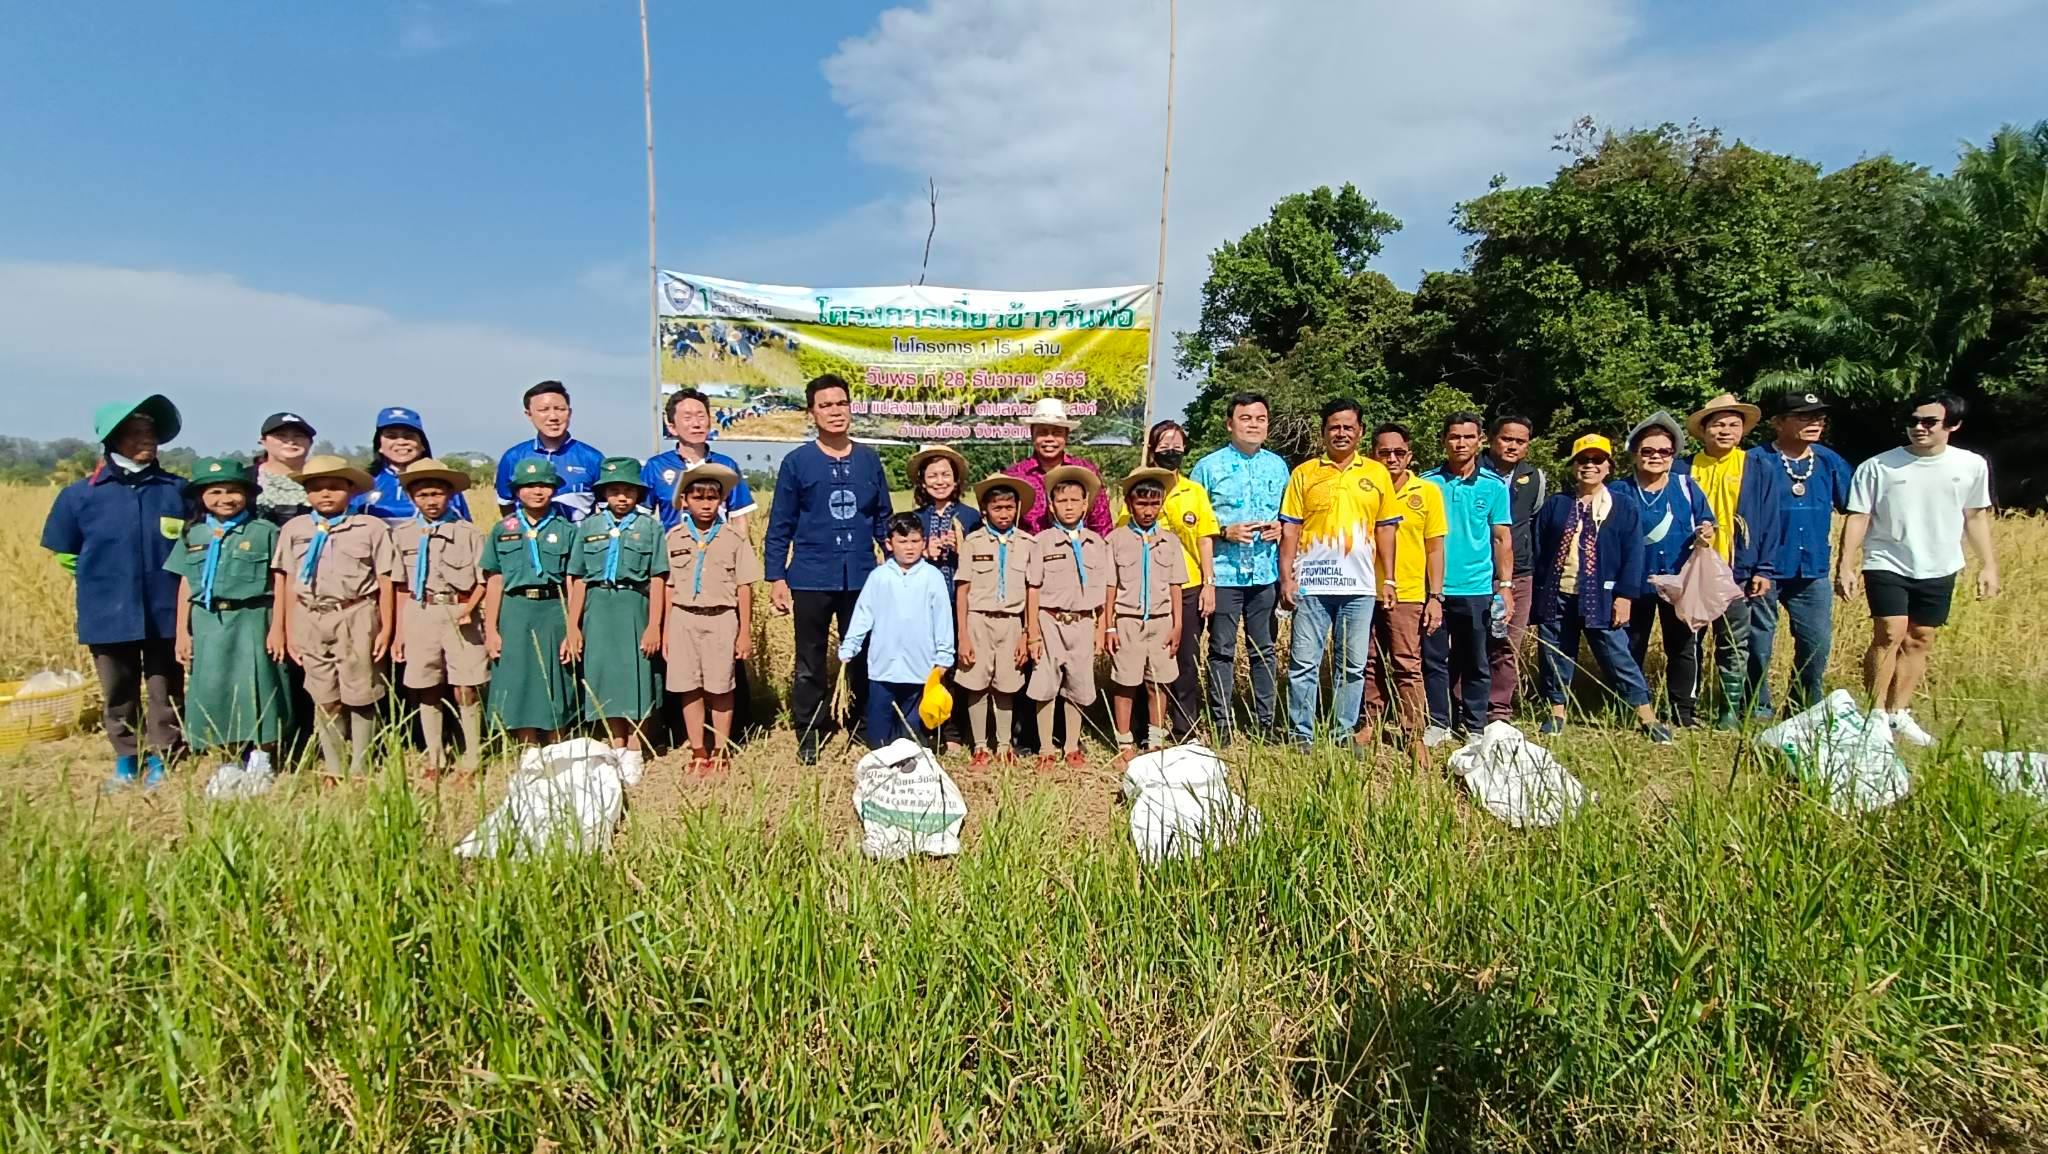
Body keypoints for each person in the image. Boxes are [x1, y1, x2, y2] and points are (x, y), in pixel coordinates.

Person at [1836, 392, 2000, 747]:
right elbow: (1859, 516)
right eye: (1913, 421)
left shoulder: (1970, 465)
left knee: (1920, 637)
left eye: (1929, 422)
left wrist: (1988, 565)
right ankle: (1875, 714)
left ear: (1953, 425)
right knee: (1890, 632)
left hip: (1940, 564)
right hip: (1887, 560)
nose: (1919, 428)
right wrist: (1846, 563)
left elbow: (1975, 516)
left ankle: (1899, 712)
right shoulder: (1878, 466)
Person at [41, 395, 187, 789]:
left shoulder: (177, 491)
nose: (147, 440)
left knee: (165, 688)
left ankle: (164, 755)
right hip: (107, 611)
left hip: (165, 609)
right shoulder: (80, 496)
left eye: (151, 433)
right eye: (136, 433)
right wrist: (100, 578)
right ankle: (127, 756)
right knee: (118, 690)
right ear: (113, 441)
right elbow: (64, 552)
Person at [763, 374, 892, 764]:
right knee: (810, 659)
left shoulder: (869, 460)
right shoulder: (798, 462)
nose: (835, 412)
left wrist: (897, 568)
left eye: (841, 404)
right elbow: (780, 523)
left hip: (862, 576)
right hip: (811, 575)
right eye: (826, 405)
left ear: (851, 408)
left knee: (866, 653)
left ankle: (864, 725)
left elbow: (883, 520)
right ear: (812, 412)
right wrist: (776, 577)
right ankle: (810, 730)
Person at [1531, 435, 1674, 744]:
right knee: (1555, 653)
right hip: (1558, 593)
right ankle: (1556, 711)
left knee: (1617, 654)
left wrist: (1625, 596)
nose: (1590, 466)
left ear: (1609, 467)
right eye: (1584, 460)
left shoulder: (1623, 506)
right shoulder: (1557, 504)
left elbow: (1633, 553)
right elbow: (1540, 550)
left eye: (1598, 460)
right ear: (1574, 467)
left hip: (1603, 596)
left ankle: (1646, 716)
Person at [1278, 399, 1401, 748]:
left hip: (1359, 588)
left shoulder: (1376, 474)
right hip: (1312, 586)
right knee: (1303, 664)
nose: (1342, 433)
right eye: (1335, 427)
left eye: (1348, 426)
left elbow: (1386, 530)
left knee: (1351, 667)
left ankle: (1342, 732)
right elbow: (1290, 530)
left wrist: (1388, 579)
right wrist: (1287, 578)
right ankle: (1300, 734)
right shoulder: (1304, 473)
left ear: (1360, 431)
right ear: (1323, 433)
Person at [167, 458, 291, 781]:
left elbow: (281, 582)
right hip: (209, 622)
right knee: (213, 688)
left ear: (247, 495)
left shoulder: (265, 531)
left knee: (260, 685)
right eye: (216, 492)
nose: (225, 498)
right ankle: (229, 760)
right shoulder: (193, 534)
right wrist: (182, 631)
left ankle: (263, 759)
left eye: (234, 491)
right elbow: (185, 584)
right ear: (202, 497)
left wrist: (278, 628)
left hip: (252, 619)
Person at [273, 455, 397, 777]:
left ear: (351, 490)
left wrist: (386, 628)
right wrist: (285, 629)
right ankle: (334, 766)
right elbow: (287, 582)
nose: (325, 494)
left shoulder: (370, 528)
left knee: (361, 694)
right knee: (324, 694)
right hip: (310, 615)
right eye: (316, 488)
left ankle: (361, 763)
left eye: (334, 487)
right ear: (306, 493)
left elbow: (386, 581)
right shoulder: (294, 529)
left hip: (356, 613)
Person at [1674, 393, 1782, 729]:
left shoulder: (1757, 466)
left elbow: (1770, 519)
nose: (1725, 431)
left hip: (1736, 569)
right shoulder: (1684, 467)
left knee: (1734, 642)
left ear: (1743, 431)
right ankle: (1685, 709)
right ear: (1703, 431)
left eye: (1733, 425)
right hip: (1692, 569)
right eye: (1717, 424)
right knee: (1688, 641)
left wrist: (1764, 567)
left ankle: (1729, 711)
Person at [1190, 392, 1289, 744]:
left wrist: (1280, 528)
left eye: (1260, 418)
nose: (1253, 424)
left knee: (1264, 650)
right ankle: (1221, 726)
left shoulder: (1278, 466)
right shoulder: (1207, 467)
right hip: (1223, 574)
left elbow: (1289, 517)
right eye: (1245, 418)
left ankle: (1266, 724)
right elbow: (1192, 523)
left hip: (1265, 574)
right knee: (1221, 650)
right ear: (1230, 423)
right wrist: (1223, 531)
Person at [1747, 390, 1853, 717]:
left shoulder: (1827, 460)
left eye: (1819, 417)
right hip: (1763, 569)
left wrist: (1846, 564)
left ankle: (1803, 706)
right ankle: (1757, 707)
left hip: (1812, 569)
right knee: (1757, 644)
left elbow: (1855, 507)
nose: (1815, 423)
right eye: (1804, 416)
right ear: (1778, 423)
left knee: (1816, 644)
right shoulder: (1755, 460)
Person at [567, 458, 669, 782]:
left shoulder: (649, 527)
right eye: (614, 491)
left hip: (633, 603)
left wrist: (654, 624)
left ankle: (635, 749)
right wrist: (573, 625)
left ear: (638, 494)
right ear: (604, 494)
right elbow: (579, 578)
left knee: (636, 674)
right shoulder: (589, 527)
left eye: (628, 491)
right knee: (605, 674)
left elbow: (657, 578)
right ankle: (616, 743)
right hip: (599, 606)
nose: (622, 498)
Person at [1613, 412, 1715, 727]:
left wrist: (1706, 532)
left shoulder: (1686, 486)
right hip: (1633, 583)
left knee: (1684, 647)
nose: (1656, 457)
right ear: (1634, 453)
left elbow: (1706, 520)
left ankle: (1683, 712)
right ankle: (1629, 709)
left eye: (1664, 452)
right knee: (1630, 647)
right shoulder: (1619, 490)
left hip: (1679, 580)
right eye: (1648, 451)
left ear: (1673, 454)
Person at [388, 458, 489, 778]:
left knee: (466, 686)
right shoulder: (403, 534)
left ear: (449, 495)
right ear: (412, 497)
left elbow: (484, 581)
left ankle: (472, 755)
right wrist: (399, 633)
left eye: (437, 493)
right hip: (420, 612)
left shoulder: (468, 533)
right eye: (423, 495)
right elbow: (401, 586)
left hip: (459, 612)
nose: (431, 501)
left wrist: (469, 609)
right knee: (426, 686)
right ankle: (435, 756)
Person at [1420, 413, 1513, 745]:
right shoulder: (1426, 483)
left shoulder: (1493, 485)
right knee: (1433, 658)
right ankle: (1438, 721)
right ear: (1444, 440)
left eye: (1468, 437)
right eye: (1454, 436)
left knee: (1475, 658)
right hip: (1434, 588)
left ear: (1480, 440)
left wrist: (1505, 586)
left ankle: (1474, 724)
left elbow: (1501, 538)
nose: (1461, 443)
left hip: (1476, 587)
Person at [1120, 421, 1216, 742]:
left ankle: (1183, 725)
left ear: (1185, 448)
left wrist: (1208, 584)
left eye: (1177, 445)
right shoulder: (1139, 488)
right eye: (1164, 445)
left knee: (1184, 657)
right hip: (1145, 591)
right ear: (1151, 448)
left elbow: (1204, 540)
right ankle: (1141, 728)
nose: (1171, 451)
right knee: (1139, 664)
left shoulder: (1195, 492)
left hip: (1186, 587)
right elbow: (1122, 536)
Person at [664, 463, 761, 773]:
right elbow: (668, 586)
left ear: (721, 502)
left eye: (712, 498)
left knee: (721, 687)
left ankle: (720, 748)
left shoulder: (734, 539)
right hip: (683, 618)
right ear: (684, 501)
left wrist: (744, 631)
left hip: (721, 618)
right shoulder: (673, 538)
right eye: (698, 497)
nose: (706, 504)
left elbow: (745, 587)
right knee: (688, 686)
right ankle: (697, 749)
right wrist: (665, 630)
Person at [481, 458, 580, 761]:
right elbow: (494, 580)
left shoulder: (566, 529)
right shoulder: (502, 530)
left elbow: (573, 581)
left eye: (544, 485)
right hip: (516, 609)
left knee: (556, 676)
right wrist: (491, 629)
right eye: (529, 486)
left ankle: (556, 743)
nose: (537, 491)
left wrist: (573, 626)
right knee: (519, 675)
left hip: (553, 608)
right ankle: (528, 748)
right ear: (517, 491)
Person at [839, 513, 957, 748]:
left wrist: (944, 655)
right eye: (903, 542)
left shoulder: (932, 577)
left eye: (915, 541)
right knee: (879, 728)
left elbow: (942, 618)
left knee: (913, 728)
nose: (910, 548)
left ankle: (912, 770)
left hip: (920, 666)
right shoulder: (879, 577)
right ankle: (882, 765)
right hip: (884, 666)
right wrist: (851, 644)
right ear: (889, 544)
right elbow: (864, 614)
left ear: (923, 542)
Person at [1363, 424, 1446, 745]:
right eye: (1384, 452)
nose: (1392, 458)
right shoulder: (1365, 488)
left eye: (1399, 452)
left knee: (1406, 663)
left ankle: (1413, 733)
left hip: (1409, 592)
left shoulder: (1426, 493)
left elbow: (1435, 548)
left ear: (1409, 455)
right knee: (1368, 660)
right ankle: (1371, 723)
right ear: (1374, 455)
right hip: (1365, 588)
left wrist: (1435, 596)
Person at [1026, 466, 1112, 768]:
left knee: (1077, 684)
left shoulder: (1097, 543)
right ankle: (1046, 747)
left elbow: (1102, 594)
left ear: (1086, 504)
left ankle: (1072, 745)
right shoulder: (1042, 542)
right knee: (1046, 686)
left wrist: (1101, 630)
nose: (1070, 506)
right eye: (1063, 501)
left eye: (1076, 500)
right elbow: (1033, 589)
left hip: (1083, 622)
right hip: (1050, 621)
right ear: (1051, 506)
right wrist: (1032, 633)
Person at [1106, 468, 1190, 763]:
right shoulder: (1115, 539)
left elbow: (1176, 585)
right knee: (1126, 682)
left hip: (1161, 621)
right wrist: (1109, 627)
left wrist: (1177, 624)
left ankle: (1156, 740)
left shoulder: (1170, 541)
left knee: (1158, 682)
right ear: (1130, 504)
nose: (1148, 510)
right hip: (1127, 620)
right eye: (1142, 504)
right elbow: (1110, 586)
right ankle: (1124, 742)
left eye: (1154, 504)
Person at [954, 475, 1036, 766]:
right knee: (976, 683)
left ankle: (1003, 743)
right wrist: (963, 634)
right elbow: (962, 591)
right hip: (978, 620)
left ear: (1017, 509)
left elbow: (1031, 590)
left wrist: (1028, 633)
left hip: (1012, 622)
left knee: (1006, 684)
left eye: (1009, 507)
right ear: (985, 509)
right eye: (997, 507)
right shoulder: (973, 542)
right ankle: (979, 745)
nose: (1004, 513)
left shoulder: (1027, 543)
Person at [909, 444, 980, 753]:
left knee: (957, 667)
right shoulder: (914, 519)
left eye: (945, 475)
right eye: (932, 475)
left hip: (959, 603)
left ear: (956, 481)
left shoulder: (971, 517)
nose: (939, 481)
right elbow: (897, 557)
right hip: (922, 605)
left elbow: (984, 561)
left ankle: (954, 733)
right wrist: (925, 553)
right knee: (927, 666)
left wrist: (962, 549)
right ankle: (927, 728)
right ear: (923, 483)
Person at [1481, 414, 1549, 722]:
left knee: (1507, 643)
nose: (1512, 446)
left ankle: (1499, 711)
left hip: (1519, 573)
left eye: (1520, 441)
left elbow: (1532, 520)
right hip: (1476, 572)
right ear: (1491, 438)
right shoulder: (1472, 470)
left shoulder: (1535, 478)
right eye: (1507, 438)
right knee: (1470, 642)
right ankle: (1465, 705)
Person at [642, 388, 758, 532]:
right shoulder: (656, 466)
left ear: (709, 422)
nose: (696, 424)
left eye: (701, 416)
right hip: (673, 551)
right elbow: (642, 519)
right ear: (672, 428)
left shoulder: (727, 465)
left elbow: (738, 519)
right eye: (687, 418)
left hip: (718, 551)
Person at [494, 380, 607, 521]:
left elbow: (606, 510)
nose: (553, 417)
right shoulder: (513, 457)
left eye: (560, 409)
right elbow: (506, 505)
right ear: (528, 414)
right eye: (543, 410)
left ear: (569, 412)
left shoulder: (593, 459)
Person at [1002, 397, 1114, 534]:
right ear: (1032, 434)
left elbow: (1101, 523)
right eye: (1042, 432)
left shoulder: (1085, 472)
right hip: (1029, 552)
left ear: (1066, 436)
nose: (1050, 439)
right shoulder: (1015, 476)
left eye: (1057, 433)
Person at [354, 407, 473, 527]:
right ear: (379, 445)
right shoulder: (363, 486)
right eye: (392, 436)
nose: (401, 442)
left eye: (408, 436)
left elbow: (465, 532)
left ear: (422, 444)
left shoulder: (444, 485)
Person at [253, 411, 317, 526]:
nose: (291, 441)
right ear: (263, 441)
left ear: (310, 442)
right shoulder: (245, 478)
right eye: (281, 435)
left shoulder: (326, 480)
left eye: (299, 435)